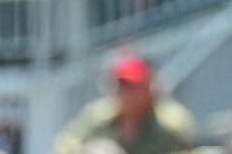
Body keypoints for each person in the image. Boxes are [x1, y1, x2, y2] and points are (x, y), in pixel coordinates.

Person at [52, 55, 196, 154]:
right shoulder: (98, 116)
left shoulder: (171, 123)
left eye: (132, 86)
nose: (125, 93)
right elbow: (64, 145)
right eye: (121, 86)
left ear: (149, 89)